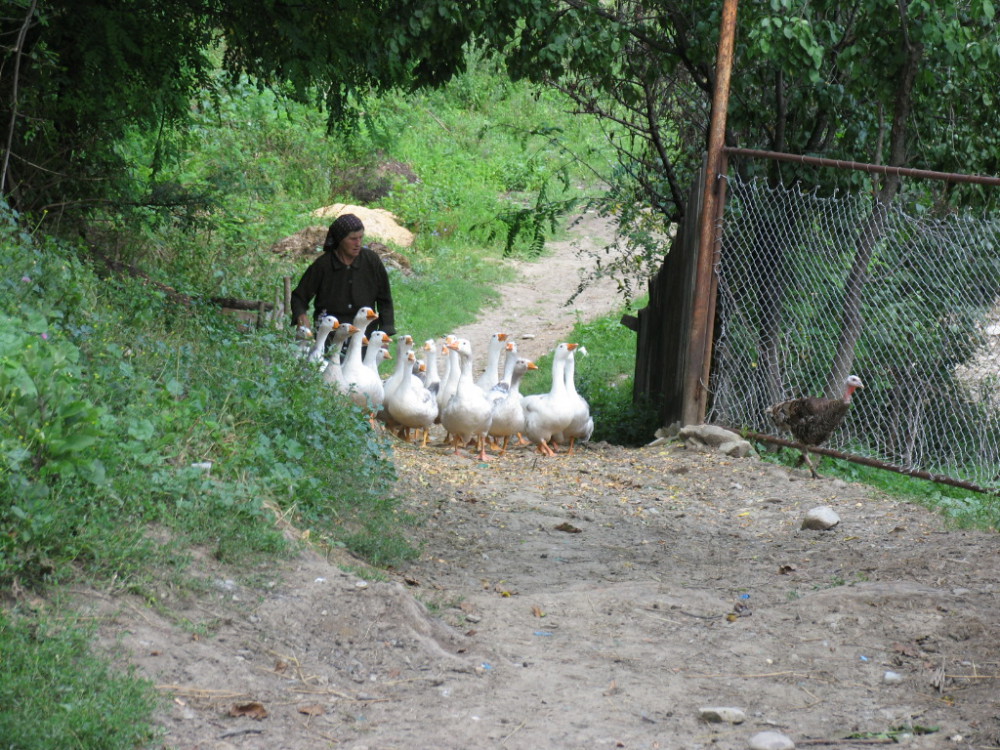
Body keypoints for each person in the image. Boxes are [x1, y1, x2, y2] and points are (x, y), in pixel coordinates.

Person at [290, 213, 396, 342]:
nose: (358, 243)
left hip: (364, 336)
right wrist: (302, 318)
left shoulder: (371, 261)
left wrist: (385, 331)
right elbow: (299, 297)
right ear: (340, 240)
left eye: (360, 238)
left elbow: (385, 300)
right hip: (330, 336)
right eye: (352, 239)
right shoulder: (323, 265)